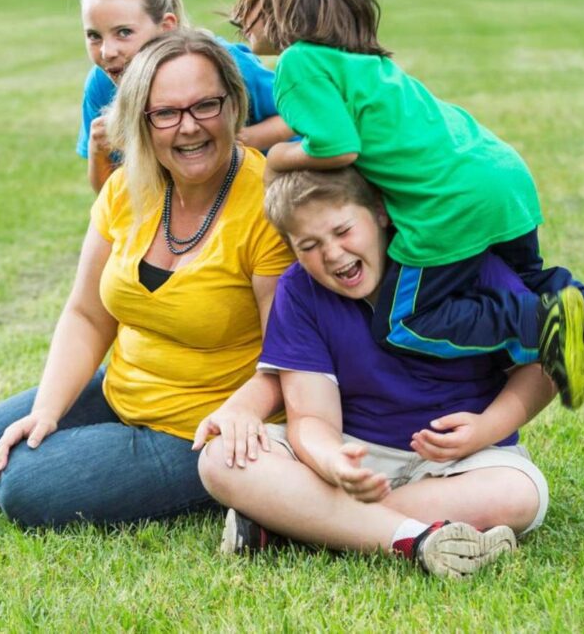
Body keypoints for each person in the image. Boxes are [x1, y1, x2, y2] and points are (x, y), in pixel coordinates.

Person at [230, 0, 584, 416]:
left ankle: (549, 325)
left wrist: (280, 158)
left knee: (407, 320)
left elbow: (337, 148)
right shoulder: (365, 64)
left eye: (248, 0)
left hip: (448, 203)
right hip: (502, 176)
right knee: (522, 278)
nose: (240, 15)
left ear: (283, 4)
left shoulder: (298, 62)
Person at [0, 29, 294, 528]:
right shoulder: (127, 187)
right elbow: (86, 314)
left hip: (204, 426)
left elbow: (289, 357)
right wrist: (48, 410)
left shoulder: (266, 206)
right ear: (141, 123)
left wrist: (238, 419)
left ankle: (240, 481)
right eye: (165, 113)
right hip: (122, 389)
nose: (188, 128)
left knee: (26, 486)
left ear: (233, 105)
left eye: (205, 106)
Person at [200, 168, 553, 578]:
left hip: (461, 462)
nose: (332, 253)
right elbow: (311, 418)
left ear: (381, 214)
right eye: (309, 245)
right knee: (220, 459)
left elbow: (542, 367)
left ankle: (293, 527)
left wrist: (486, 428)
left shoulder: (464, 268)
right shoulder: (299, 291)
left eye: (343, 231)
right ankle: (409, 537)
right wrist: (334, 462)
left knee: (518, 495)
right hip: (355, 453)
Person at [71, 0, 292, 193]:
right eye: (94, 36)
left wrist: (233, 138)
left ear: (167, 26)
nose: (107, 51)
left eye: (124, 32)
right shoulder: (102, 83)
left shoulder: (225, 65)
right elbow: (109, 199)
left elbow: (297, 115)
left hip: (276, 190)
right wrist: (98, 150)